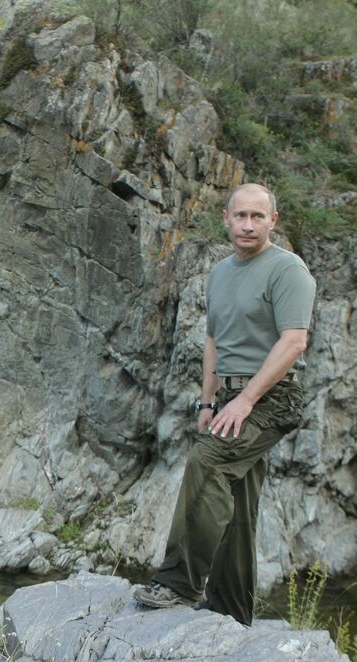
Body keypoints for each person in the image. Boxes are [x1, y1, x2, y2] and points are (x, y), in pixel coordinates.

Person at [132, 183, 313, 625]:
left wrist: (247, 401)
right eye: (240, 216)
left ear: (274, 220)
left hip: (272, 395)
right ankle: (231, 611)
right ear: (226, 219)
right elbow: (214, 341)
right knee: (235, 497)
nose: (248, 224)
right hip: (230, 395)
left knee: (207, 464)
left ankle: (178, 584)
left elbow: (293, 341)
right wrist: (208, 402)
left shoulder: (287, 270)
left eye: (257, 216)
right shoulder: (221, 273)